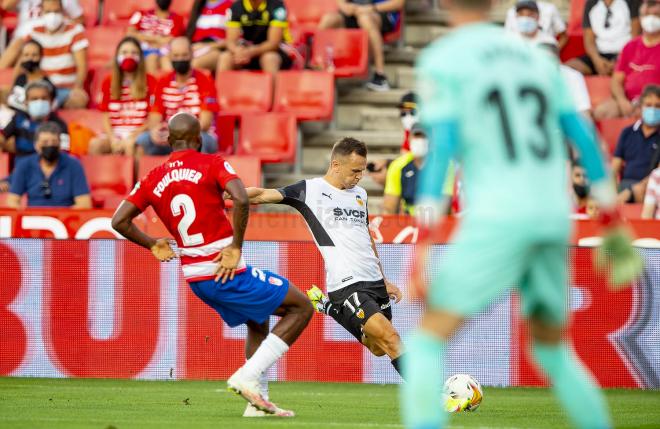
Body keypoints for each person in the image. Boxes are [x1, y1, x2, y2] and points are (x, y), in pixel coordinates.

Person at [398, 0, 633, 425]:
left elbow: (442, 150)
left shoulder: (445, 57)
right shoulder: (538, 58)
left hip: (499, 215)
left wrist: (422, 248)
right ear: (494, 5)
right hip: (551, 214)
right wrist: (612, 218)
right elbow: (585, 137)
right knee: (552, 348)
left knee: (430, 340)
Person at [112, 112, 312, 417]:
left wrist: (153, 244)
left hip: (196, 277)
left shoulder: (152, 178)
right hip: (224, 268)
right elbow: (242, 198)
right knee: (301, 307)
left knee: (258, 321)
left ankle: (256, 403)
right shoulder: (212, 163)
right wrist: (235, 246)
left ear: (168, 141)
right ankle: (246, 377)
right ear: (198, 139)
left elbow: (119, 221)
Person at [243, 137, 406, 378]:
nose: (360, 176)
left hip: (373, 281)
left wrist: (384, 279)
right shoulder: (309, 190)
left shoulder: (360, 194)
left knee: (379, 348)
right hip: (346, 283)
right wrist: (219, 194)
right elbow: (260, 195)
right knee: (392, 339)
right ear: (336, 165)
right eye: (355, 171)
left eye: (362, 170)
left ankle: (329, 309)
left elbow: (366, 236)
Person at [138, 37, 218, 156]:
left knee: (200, 141)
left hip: (197, 135)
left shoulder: (205, 81)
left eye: (184, 55)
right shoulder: (162, 82)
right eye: (176, 55)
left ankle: (197, 173)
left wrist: (180, 134)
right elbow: (155, 118)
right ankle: (150, 174)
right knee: (143, 140)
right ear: (170, 57)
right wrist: (156, 131)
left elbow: (205, 123)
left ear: (192, 55)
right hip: (170, 137)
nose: (180, 59)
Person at [88, 37, 157, 155]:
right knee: (95, 144)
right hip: (115, 133)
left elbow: (153, 118)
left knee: (132, 146)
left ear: (140, 57)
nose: (129, 56)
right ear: (117, 57)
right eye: (124, 52)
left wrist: (133, 136)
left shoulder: (151, 81)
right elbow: (105, 116)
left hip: (139, 133)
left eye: (134, 52)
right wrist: (112, 138)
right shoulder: (108, 82)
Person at [593, 0, 660, 120]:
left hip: (655, 103)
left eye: (656, 15)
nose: (650, 19)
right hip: (629, 100)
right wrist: (622, 101)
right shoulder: (630, 46)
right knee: (601, 112)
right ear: (640, 18)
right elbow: (616, 81)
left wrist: (647, 105)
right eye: (646, 15)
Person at [319, 0, 405, 91]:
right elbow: (340, 2)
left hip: (381, 12)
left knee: (365, 19)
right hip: (356, 11)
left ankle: (380, 75)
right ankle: (316, 63)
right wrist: (345, 6)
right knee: (328, 19)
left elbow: (398, 3)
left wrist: (371, 8)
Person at [19, 0, 89, 108]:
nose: (52, 15)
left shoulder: (75, 31)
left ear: (63, 12)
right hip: (41, 88)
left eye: (56, 11)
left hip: (66, 89)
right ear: (41, 12)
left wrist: (77, 87)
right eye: (48, 11)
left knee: (79, 100)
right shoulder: (34, 32)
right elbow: (24, 61)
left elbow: (82, 67)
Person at [6, 121, 90, 208]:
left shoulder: (73, 165)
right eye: (45, 142)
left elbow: (84, 203)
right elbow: (12, 200)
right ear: (36, 145)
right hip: (33, 217)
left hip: (65, 217)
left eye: (54, 142)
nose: (50, 145)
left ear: (60, 144)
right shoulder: (24, 165)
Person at [612, 84, 660, 203]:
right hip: (625, 185)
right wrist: (613, 191)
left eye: (657, 106)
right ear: (641, 107)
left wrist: (633, 191)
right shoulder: (627, 132)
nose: (653, 110)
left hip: (650, 187)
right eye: (648, 105)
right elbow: (614, 168)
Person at [217, 0, 295, 74]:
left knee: (269, 58)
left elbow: (273, 43)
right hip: (248, 50)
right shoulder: (236, 6)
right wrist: (237, 51)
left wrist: (250, 52)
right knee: (225, 57)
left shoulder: (277, 6)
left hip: (275, 50)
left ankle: (275, 87)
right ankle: (221, 88)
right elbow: (231, 41)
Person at [0, 0, 84, 68]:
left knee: (25, 50)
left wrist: (61, 21)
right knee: (21, 49)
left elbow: (80, 20)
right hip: (24, 37)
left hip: (51, 36)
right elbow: (5, 6)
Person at [566, 0, 642, 76]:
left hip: (625, 54)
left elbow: (635, 37)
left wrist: (619, 60)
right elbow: (589, 40)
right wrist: (597, 60)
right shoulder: (591, 3)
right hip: (599, 55)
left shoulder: (632, 2)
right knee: (566, 70)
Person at [0, 80, 69, 161]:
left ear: (51, 101)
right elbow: (2, 137)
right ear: (26, 102)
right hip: (22, 168)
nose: (39, 102)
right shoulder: (18, 118)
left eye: (44, 98)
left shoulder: (60, 124)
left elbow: (64, 153)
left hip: (49, 167)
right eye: (34, 99)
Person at [383, 123, 435, 214]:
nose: (420, 140)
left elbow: (446, 203)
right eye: (417, 136)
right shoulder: (398, 165)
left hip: (436, 219)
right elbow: (389, 207)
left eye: (424, 136)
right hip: (407, 221)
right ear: (409, 138)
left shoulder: (442, 165)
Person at [127, 0, 186, 74]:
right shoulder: (141, 14)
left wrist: (142, 36)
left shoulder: (178, 19)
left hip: (164, 53)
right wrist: (156, 39)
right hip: (140, 50)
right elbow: (129, 33)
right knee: (151, 56)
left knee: (165, 61)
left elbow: (170, 40)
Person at [6, 39, 57, 113]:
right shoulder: (20, 79)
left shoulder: (47, 85)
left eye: (34, 55)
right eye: (26, 55)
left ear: (40, 57)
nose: (30, 59)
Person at [185, 0, 233, 73]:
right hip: (194, 48)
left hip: (216, 48)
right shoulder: (198, 5)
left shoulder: (230, 6)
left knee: (193, 64)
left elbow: (232, 41)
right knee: (168, 61)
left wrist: (207, 46)